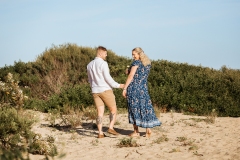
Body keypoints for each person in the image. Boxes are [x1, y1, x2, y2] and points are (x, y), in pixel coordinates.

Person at [122, 47, 161, 138]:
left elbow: (131, 76)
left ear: (139, 54)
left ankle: (136, 131)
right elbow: (140, 74)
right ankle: (148, 130)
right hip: (143, 88)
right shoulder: (147, 63)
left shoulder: (136, 63)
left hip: (134, 88)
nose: (133, 56)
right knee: (144, 107)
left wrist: (125, 88)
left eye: (134, 54)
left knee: (133, 108)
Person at [87, 46, 124, 138]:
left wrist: (93, 88)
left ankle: (100, 133)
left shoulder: (89, 65)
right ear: (100, 53)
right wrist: (118, 85)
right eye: (105, 53)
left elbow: (90, 80)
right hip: (105, 90)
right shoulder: (103, 64)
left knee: (100, 112)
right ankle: (110, 127)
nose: (106, 55)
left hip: (95, 91)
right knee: (113, 109)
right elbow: (108, 78)